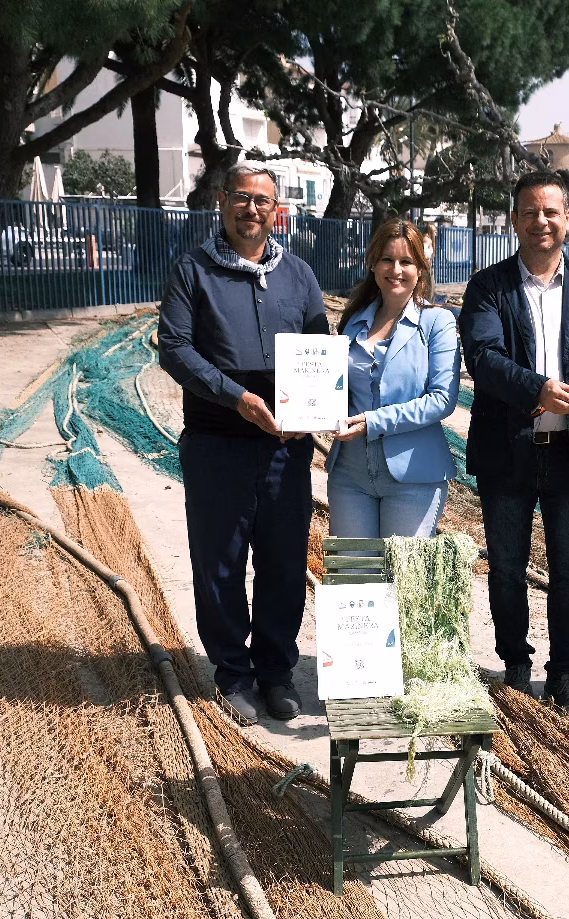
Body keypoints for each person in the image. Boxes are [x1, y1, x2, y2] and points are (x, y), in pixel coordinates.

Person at [157, 160, 326, 724]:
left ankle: (276, 671)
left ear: (276, 211)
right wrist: (238, 399)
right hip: (218, 443)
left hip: (284, 447)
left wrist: (315, 403)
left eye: (263, 201)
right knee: (221, 563)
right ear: (222, 202)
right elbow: (176, 349)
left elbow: (318, 345)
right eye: (241, 197)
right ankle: (233, 672)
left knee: (282, 563)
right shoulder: (192, 270)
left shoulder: (298, 274)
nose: (252, 209)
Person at [458, 170, 569, 724]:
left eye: (551, 211)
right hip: (509, 448)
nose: (541, 221)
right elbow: (482, 359)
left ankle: (565, 673)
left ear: (568, 219)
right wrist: (537, 388)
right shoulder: (487, 288)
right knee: (506, 566)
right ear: (514, 221)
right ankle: (515, 664)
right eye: (530, 212)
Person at [327, 219, 459, 539]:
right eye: (387, 259)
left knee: (401, 585)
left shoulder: (437, 322)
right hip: (349, 476)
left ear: (420, 269)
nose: (396, 269)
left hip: (414, 479)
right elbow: (334, 388)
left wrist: (375, 421)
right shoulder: (353, 320)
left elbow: (442, 400)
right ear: (373, 263)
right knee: (355, 581)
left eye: (406, 261)